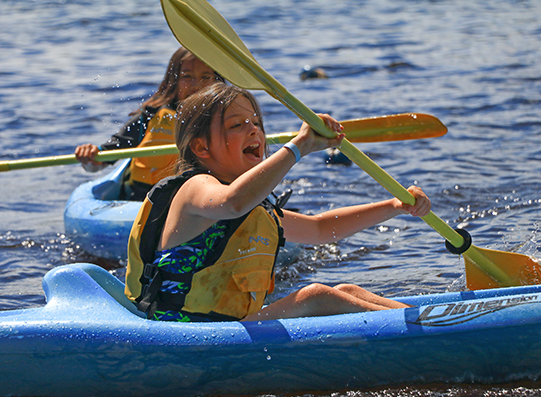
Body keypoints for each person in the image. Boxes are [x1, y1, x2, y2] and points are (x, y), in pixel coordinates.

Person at [125, 83, 431, 322]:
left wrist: (393, 206)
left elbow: (321, 229)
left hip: (227, 329)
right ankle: (431, 334)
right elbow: (233, 203)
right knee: (315, 296)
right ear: (201, 147)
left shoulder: (253, 207)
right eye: (237, 125)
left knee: (348, 292)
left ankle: (436, 322)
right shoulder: (196, 187)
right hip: (188, 331)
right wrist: (299, 147)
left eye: (256, 122)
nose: (255, 129)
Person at [75, 47, 224, 200]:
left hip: (195, 198)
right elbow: (102, 160)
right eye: (186, 76)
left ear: (217, 83)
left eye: (205, 77)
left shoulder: (227, 120)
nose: (195, 85)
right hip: (143, 198)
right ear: (173, 81)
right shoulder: (151, 115)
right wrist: (90, 156)